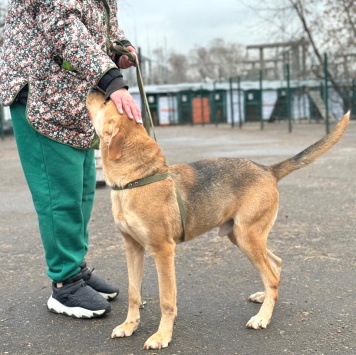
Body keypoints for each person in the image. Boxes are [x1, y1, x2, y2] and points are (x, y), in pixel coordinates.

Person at [0, 0, 141, 319]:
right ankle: (65, 284)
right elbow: (63, 26)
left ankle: (75, 269)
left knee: (81, 192)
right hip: (42, 96)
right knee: (59, 197)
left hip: (72, 101)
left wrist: (119, 47)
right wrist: (111, 79)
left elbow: (100, 24)